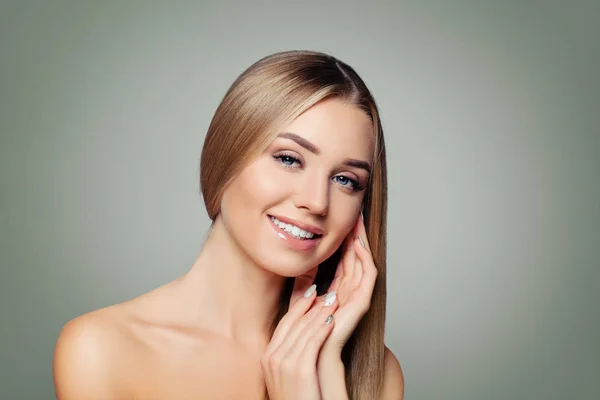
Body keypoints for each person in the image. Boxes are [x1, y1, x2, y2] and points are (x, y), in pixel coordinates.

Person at [53, 50, 404, 399]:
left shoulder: (376, 375)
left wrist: (321, 371)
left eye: (345, 180)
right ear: (226, 156)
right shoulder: (103, 351)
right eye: (288, 159)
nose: (316, 201)